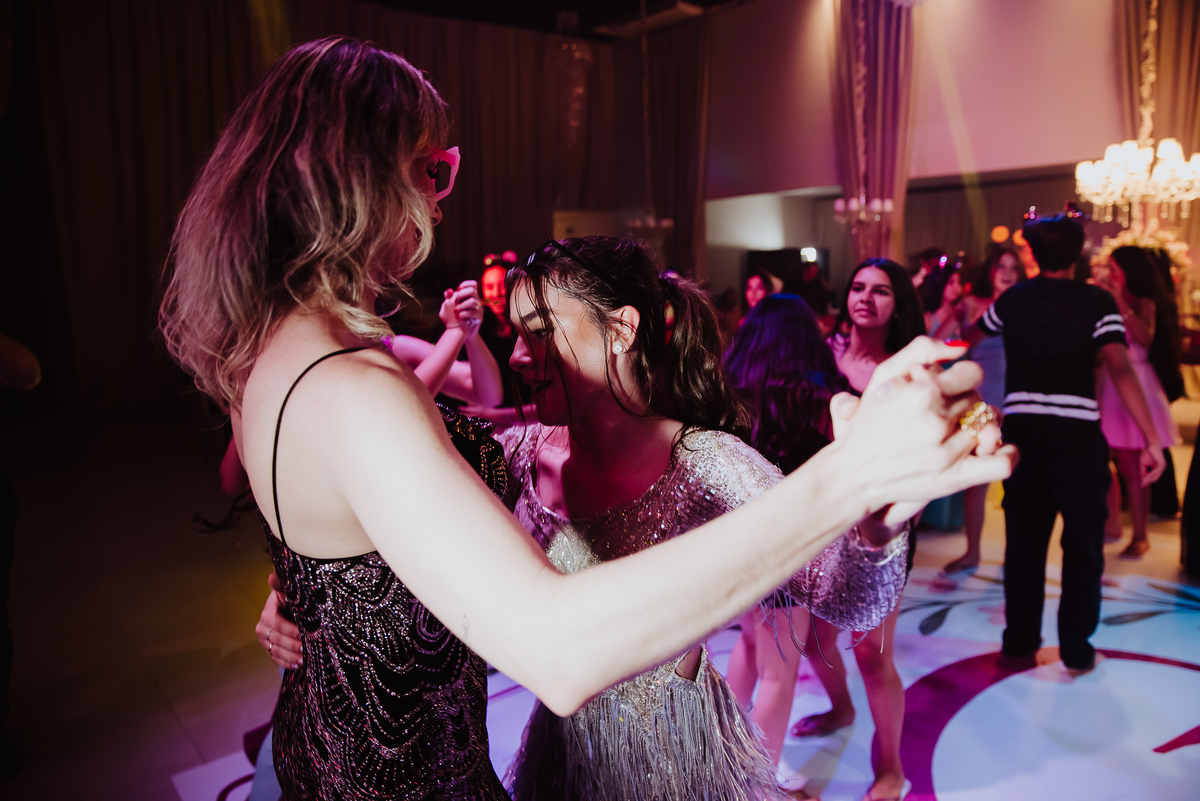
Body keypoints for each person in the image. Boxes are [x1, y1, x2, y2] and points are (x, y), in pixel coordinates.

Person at [159, 37, 1010, 800]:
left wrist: (870, 522)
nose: (440, 199)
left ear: (623, 331)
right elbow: (555, 647)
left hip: (596, 759)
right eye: (431, 169)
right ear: (363, 174)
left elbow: (359, 523)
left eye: (540, 332)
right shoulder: (390, 398)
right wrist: (849, 472)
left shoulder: (271, 354)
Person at [971, 213, 1165, 675]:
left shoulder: (1014, 299)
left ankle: (1019, 644)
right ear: (1078, 252)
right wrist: (1152, 440)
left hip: (1023, 438)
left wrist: (979, 413)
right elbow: (1119, 367)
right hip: (1077, 439)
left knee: (1023, 546)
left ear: (1034, 254)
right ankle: (1076, 650)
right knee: (1083, 548)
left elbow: (966, 344)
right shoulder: (1096, 301)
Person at [722, 294, 898, 797]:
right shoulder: (821, 399)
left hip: (738, 542)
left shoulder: (729, 393)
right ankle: (757, 787)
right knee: (779, 672)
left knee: (750, 647)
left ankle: (723, 761)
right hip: (794, 545)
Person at [792, 258, 926, 801]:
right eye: (858, 287)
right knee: (813, 642)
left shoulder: (911, 368)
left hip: (883, 525)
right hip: (824, 517)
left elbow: (935, 441)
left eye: (881, 290)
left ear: (899, 303)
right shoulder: (823, 355)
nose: (866, 297)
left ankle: (890, 766)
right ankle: (841, 708)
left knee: (871, 653)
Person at [1092, 246, 1181, 559]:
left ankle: (1140, 534)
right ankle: (1112, 523)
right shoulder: (1101, 297)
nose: (1110, 272)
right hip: (1108, 382)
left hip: (1137, 381)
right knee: (1102, 459)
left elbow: (1144, 338)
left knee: (1133, 463)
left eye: (1114, 267)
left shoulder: (1145, 301)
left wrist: (1117, 300)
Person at [942, 246, 1025, 576]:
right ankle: (972, 552)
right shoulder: (972, 304)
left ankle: (1015, 556)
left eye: (1013, 267)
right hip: (981, 404)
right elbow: (942, 341)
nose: (1007, 273)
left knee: (1019, 485)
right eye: (1001, 266)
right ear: (990, 270)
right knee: (975, 481)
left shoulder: (1026, 304)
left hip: (1018, 403)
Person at [921, 261, 966, 340]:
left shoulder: (961, 312)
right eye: (951, 282)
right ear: (940, 284)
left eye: (958, 282)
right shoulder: (928, 319)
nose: (957, 287)